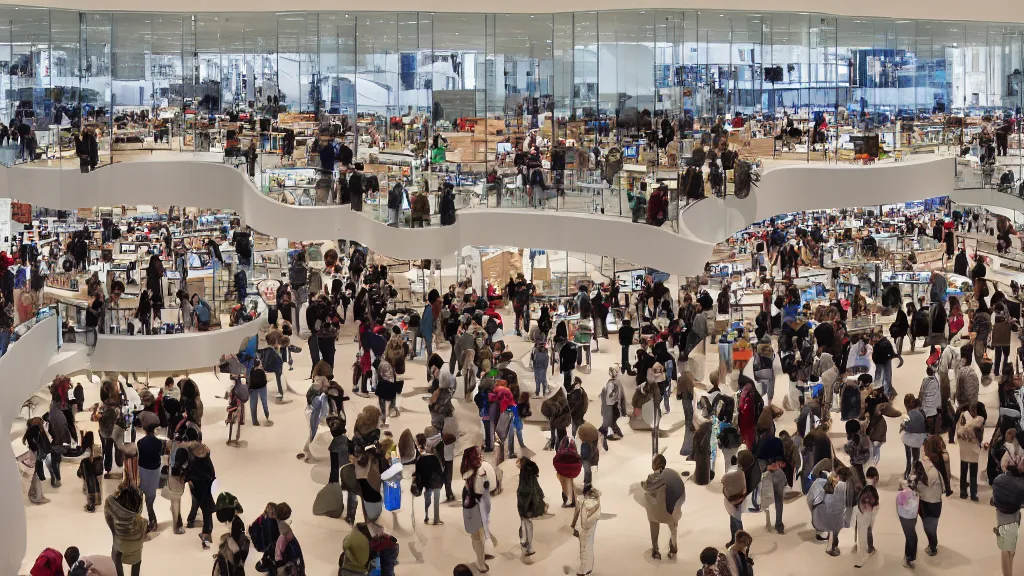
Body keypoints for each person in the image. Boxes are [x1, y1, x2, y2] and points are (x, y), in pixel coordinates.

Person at [642, 454, 685, 560]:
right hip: (674, 506)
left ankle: (656, 550)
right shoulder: (671, 474)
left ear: (654, 466)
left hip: (657, 507)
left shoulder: (651, 478)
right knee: (673, 526)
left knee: (654, 524)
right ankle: (673, 545)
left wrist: (642, 484)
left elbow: (648, 488)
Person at [104, 485, 147, 576]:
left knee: (115, 552)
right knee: (138, 558)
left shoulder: (117, 512)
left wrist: (118, 490)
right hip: (136, 546)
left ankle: (119, 574)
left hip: (121, 544)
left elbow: (109, 499)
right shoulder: (139, 514)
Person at [992, 463, 1024, 576]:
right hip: (1013, 516)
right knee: (1009, 550)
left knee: (1006, 549)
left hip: (1000, 515)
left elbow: (993, 499)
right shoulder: (1020, 485)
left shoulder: (998, 479)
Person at [185, 442, 217, 549]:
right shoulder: (205, 458)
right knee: (206, 509)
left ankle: (204, 531)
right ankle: (206, 534)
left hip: (198, 487)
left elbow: (188, 470)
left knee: (203, 507)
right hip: (204, 486)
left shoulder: (192, 457)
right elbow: (212, 473)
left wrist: (189, 479)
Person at [919, 435, 946, 556]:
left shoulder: (925, 464)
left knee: (928, 525)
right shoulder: (942, 461)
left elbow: (922, 481)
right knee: (932, 524)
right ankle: (932, 543)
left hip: (925, 499)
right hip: (936, 500)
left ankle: (932, 545)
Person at [136, 422, 165, 533]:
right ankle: (152, 519)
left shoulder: (140, 442)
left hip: (143, 469)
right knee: (150, 498)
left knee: (140, 494)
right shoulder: (158, 443)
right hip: (154, 471)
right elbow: (160, 453)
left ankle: (138, 521)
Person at [516, 456, 545, 557]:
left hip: (526, 502)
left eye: (518, 462)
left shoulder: (525, 472)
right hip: (531, 501)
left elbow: (525, 490)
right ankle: (525, 540)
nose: (517, 465)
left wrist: (522, 501)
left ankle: (530, 547)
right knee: (524, 521)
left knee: (526, 521)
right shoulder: (530, 470)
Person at [956, 403, 985, 501]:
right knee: (967, 471)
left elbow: (961, 430)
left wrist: (967, 429)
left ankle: (970, 492)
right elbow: (961, 430)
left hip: (970, 447)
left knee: (970, 471)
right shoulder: (966, 416)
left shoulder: (978, 419)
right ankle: (968, 492)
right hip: (969, 447)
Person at [570, 484, 601, 576]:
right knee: (588, 545)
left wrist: (574, 525)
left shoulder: (584, 500)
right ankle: (588, 567)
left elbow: (578, 513)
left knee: (584, 547)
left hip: (585, 526)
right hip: (588, 525)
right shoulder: (594, 500)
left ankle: (584, 568)